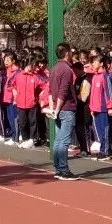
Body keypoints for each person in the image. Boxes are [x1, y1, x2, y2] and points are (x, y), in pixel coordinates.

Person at [48, 42, 80, 180]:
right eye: (71, 52)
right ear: (67, 53)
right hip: (66, 108)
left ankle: (58, 168)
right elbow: (63, 91)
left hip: (58, 107)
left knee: (58, 140)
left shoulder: (54, 68)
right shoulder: (67, 70)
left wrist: (53, 108)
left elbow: (50, 90)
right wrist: (58, 107)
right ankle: (63, 169)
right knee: (64, 140)